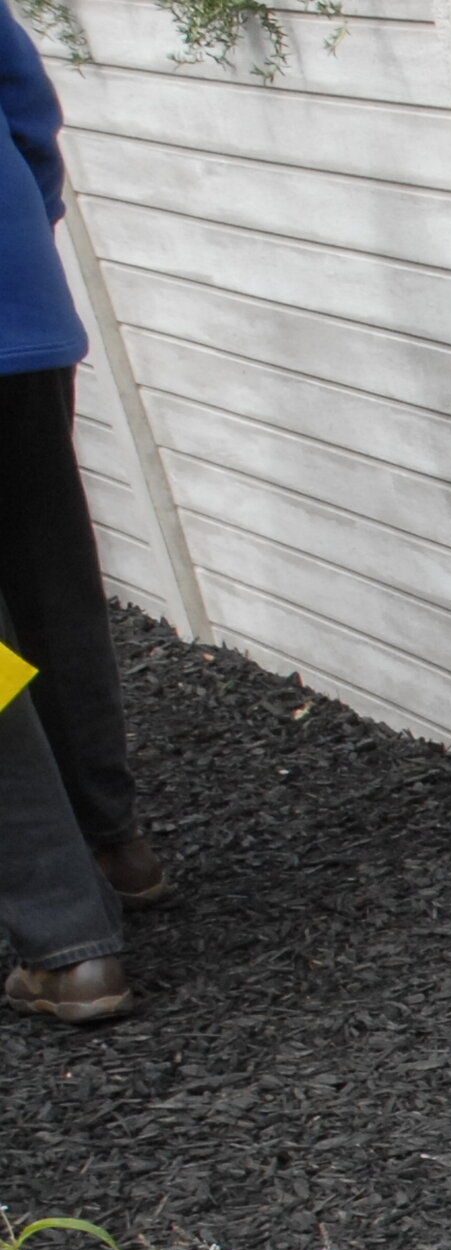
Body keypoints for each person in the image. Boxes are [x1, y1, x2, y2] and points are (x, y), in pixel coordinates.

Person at [2, 9, 134, 1023]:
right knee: (50, 578)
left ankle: (66, 937)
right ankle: (111, 840)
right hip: (17, 310)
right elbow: (28, 108)